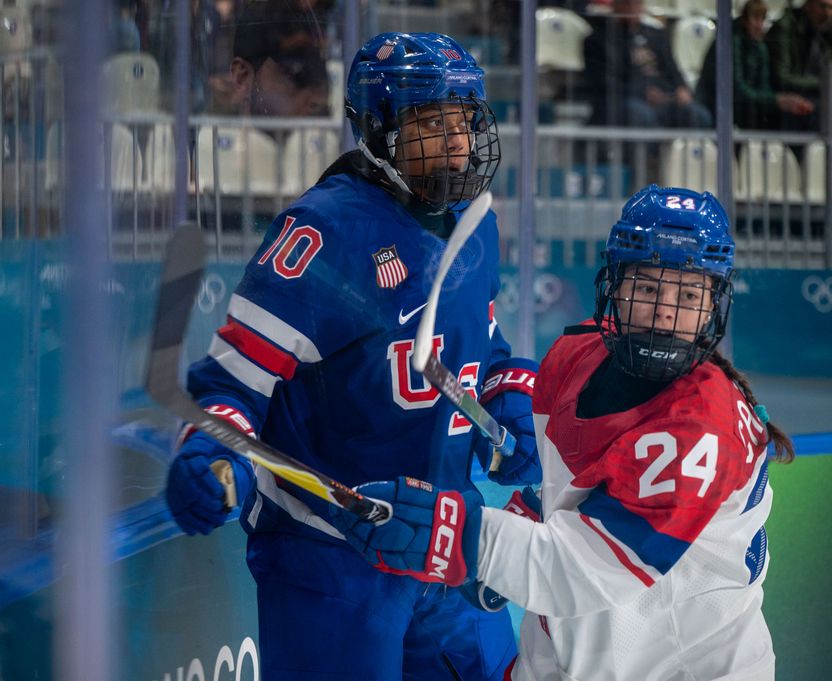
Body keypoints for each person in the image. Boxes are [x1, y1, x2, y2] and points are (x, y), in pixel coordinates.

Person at [164, 32, 542, 680]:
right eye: (432, 122)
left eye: (466, 119)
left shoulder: (474, 223)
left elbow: (486, 350)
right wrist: (211, 455)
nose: (457, 141)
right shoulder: (322, 235)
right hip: (332, 559)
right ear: (379, 129)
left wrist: (512, 401)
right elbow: (229, 388)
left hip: (445, 542)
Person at [331, 184, 796, 681]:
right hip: (567, 656)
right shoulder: (573, 354)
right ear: (614, 287)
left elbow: (575, 569)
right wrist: (527, 511)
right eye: (647, 288)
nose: (665, 311)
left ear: (712, 307)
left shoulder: (702, 428)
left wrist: (456, 535)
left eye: (687, 294)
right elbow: (573, 497)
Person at [583, 0, 712, 128]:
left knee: (698, 115)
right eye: (627, 3)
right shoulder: (600, 38)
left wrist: (681, 88)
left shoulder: (656, 35)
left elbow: (672, 69)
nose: (633, 8)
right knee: (641, 114)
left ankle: (693, 149)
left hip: (664, 98)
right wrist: (642, 93)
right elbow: (608, 84)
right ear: (615, 5)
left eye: (637, 3)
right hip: (626, 101)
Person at [696, 0, 814, 130]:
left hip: (749, 106)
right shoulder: (730, 42)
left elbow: (764, 86)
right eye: (755, 18)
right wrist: (776, 100)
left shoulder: (760, 47)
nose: (759, 25)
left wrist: (779, 100)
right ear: (745, 20)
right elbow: (736, 89)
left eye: (762, 19)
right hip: (720, 105)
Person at [766, 0, 832, 130]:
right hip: (785, 103)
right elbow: (782, 78)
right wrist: (825, 84)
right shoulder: (785, 28)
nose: (827, 13)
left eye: (831, 8)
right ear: (808, 6)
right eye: (822, 6)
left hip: (815, 98)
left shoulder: (825, 33)